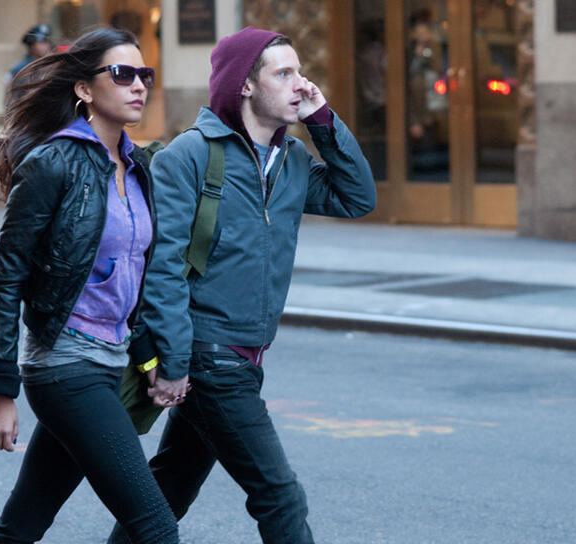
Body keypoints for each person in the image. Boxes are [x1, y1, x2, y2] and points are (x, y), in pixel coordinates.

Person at [109, 26, 376, 544]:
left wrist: (322, 120)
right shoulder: (190, 155)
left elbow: (357, 197)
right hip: (210, 356)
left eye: (301, 71)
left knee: (168, 489)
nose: (300, 83)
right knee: (280, 497)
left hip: (247, 355)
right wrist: (173, 363)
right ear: (245, 85)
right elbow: (160, 266)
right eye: (285, 73)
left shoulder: (292, 161)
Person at [0, 27, 179, 544]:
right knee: (155, 527)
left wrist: (151, 358)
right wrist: (2, 390)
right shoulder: (54, 163)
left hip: (109, 363)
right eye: (122, 73)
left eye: (145, 75)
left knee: (22, 524)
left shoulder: (138, 168)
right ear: (85, 89)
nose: (138, 85)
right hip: (65, 366)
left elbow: (130, 279)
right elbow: (6, 278)